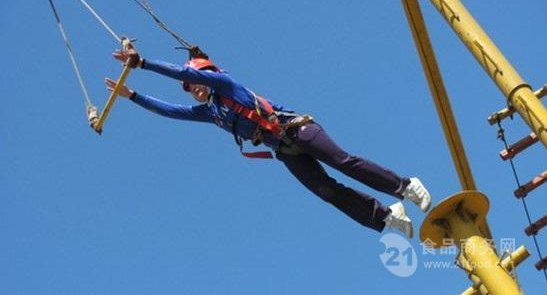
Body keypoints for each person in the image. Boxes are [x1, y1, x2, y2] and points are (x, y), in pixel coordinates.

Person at [106, 47, 431, 238]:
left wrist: (143, 63)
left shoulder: (225, 84)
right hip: (285, 151)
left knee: (342, 161)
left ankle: (404, 186)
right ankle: (386, 215)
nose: (195, 90)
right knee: (326, 191)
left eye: (195, 83)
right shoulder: (211, 114)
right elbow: (172, 112)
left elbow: (184, 73)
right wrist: (133, 96)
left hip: (295, 129)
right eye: (191, 89)